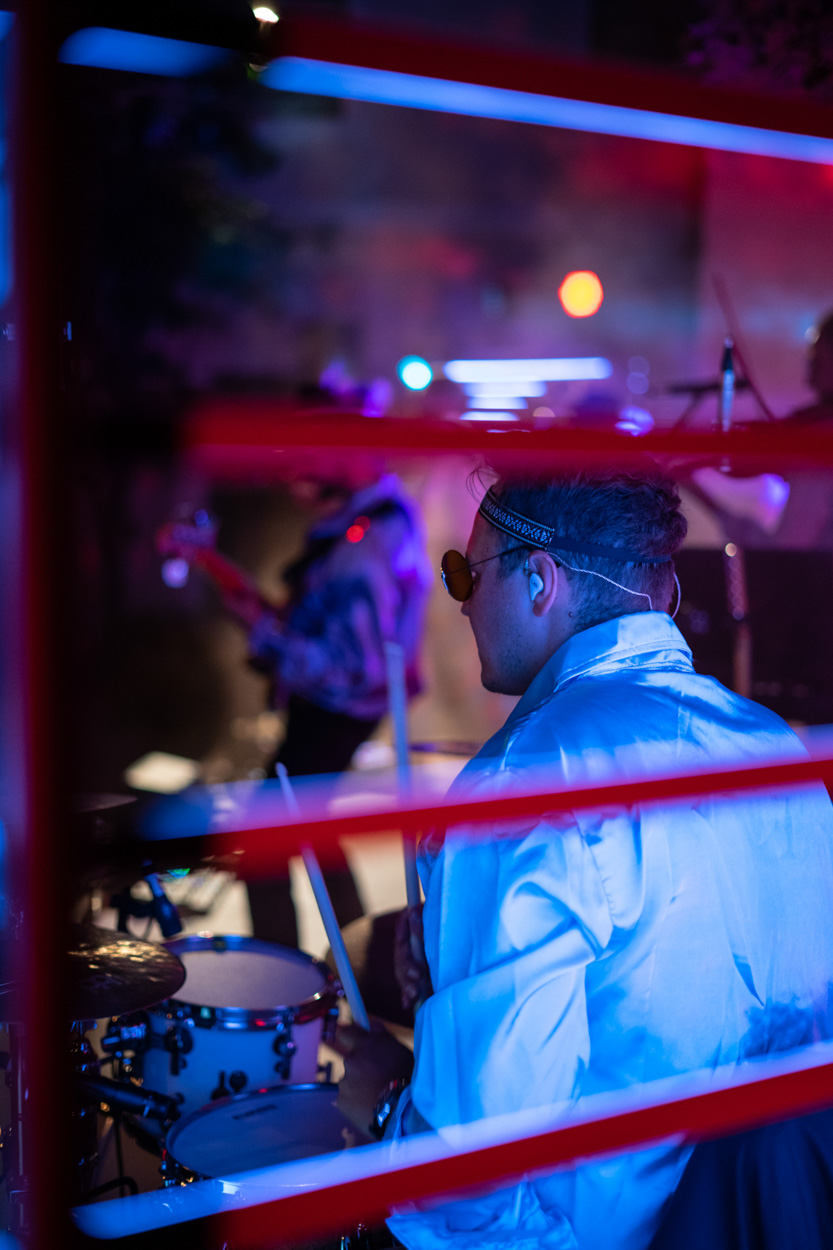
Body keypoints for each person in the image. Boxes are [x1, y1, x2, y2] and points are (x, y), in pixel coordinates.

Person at [337, 461, 833, 1250]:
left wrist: (384, 1103)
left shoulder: (524, 780)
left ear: (538, 581)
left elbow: (478, 1178)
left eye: (466, 573)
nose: (460, 602)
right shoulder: (773, 747)